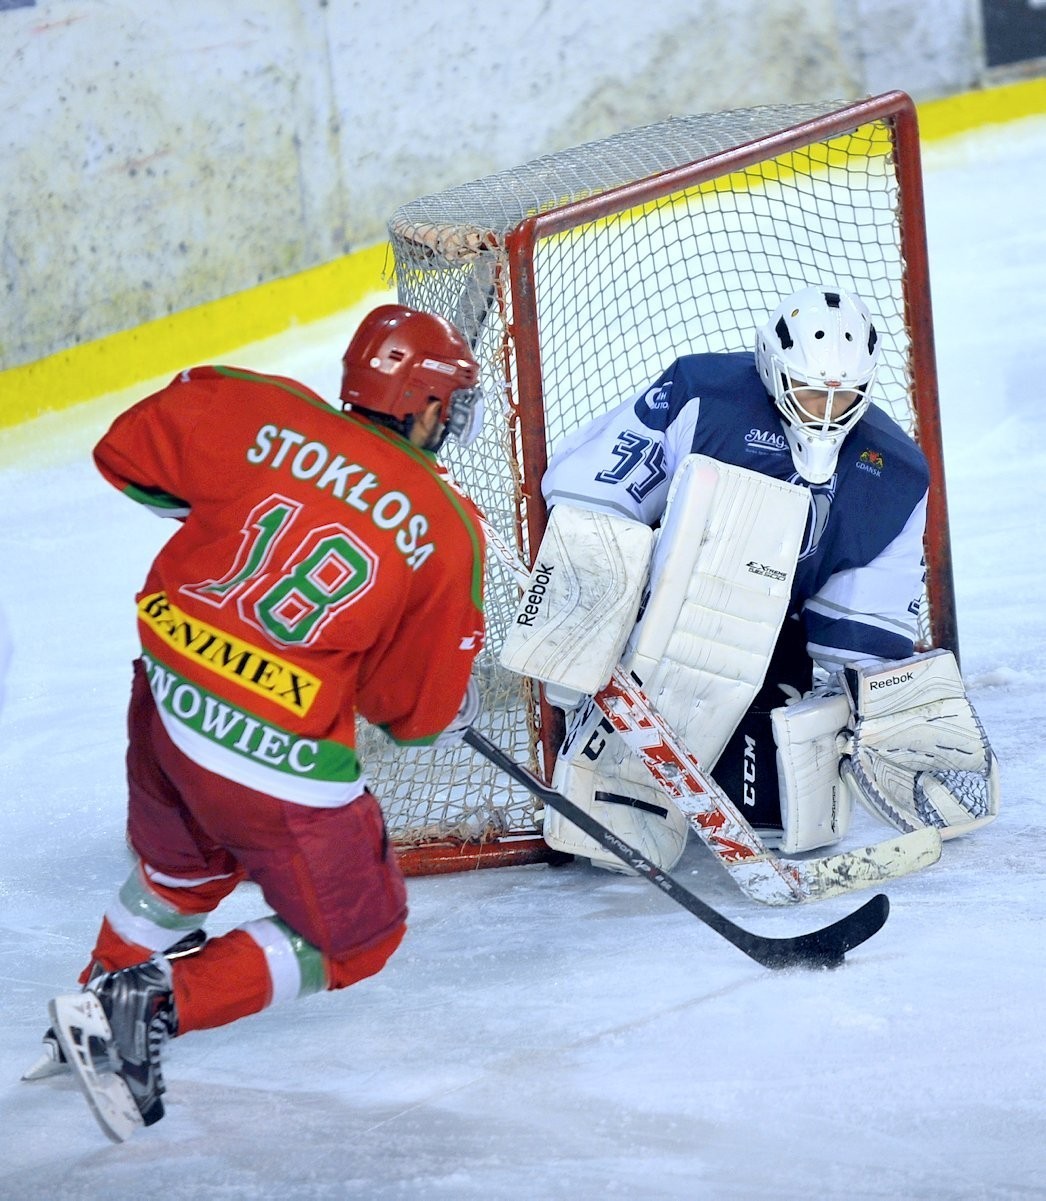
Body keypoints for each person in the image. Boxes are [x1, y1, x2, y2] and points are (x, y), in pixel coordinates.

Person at [31, 303, 488, 1142]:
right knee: (359, 937)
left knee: (183, 868)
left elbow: (125, 453)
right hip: (267, 760)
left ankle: (93, 1001)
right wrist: (444, 701)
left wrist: (228, 521)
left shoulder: (258, 404)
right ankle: (147, 1006)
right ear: (425, 404)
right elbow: (408, 716)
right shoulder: (445, 525)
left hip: (165, 698)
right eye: (449, 404)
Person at [531, 284, 998, 870]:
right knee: (611, 826)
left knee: (773, 817)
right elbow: (590, 499)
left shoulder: (896, 472)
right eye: (810, 390)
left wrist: (874, 710)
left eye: (844, 396)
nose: (825, 411)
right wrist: (588, 630)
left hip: (771, 633)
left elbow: (859, 636)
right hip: (655, 606)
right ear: (774, 370)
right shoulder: (702, 394)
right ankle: (604, 738)